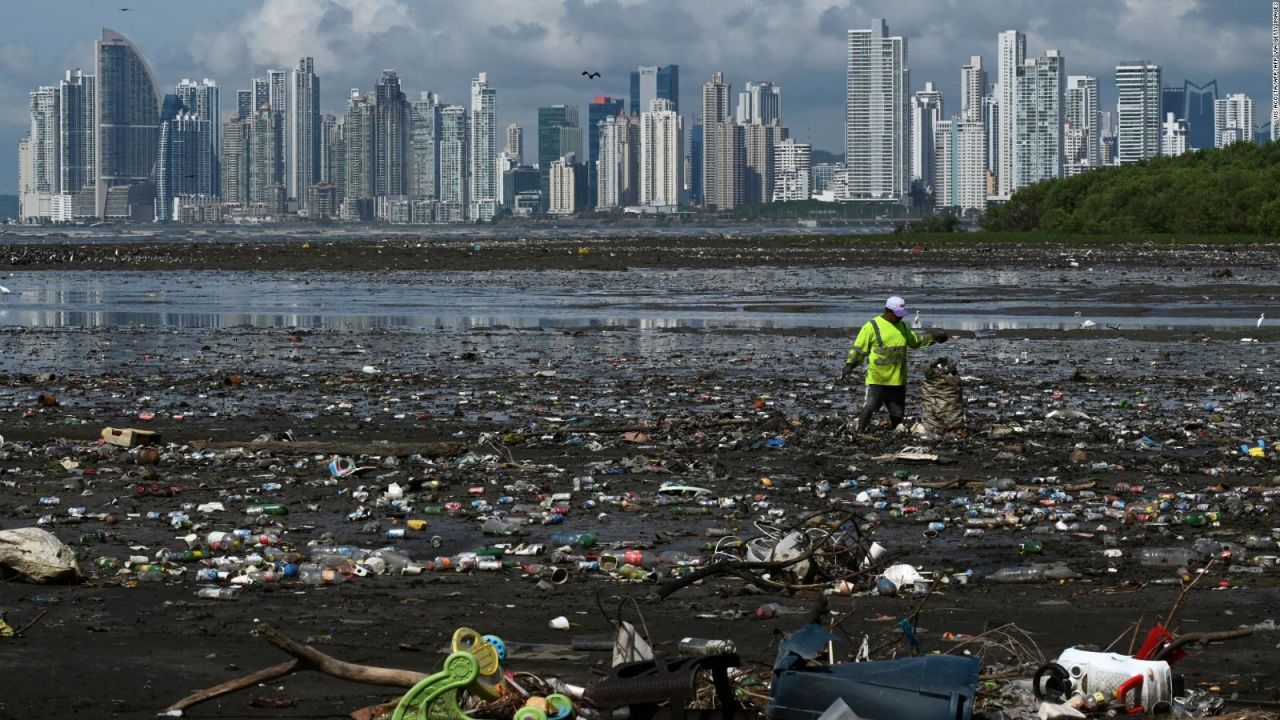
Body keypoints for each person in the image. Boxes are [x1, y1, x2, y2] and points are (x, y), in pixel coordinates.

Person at [840, 295, 948, 433]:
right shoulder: (872, 326)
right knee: (870, 406)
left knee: (897, 412)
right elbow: (859, 349)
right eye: (898, 315)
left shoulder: (902, 326)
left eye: (902, 315)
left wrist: (933, 336)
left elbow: (914, 341)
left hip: (898, 379)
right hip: (878, 378)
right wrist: (850, 364)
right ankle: (860, 431)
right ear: (888, 311)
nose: (900, 317)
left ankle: (896, 431)